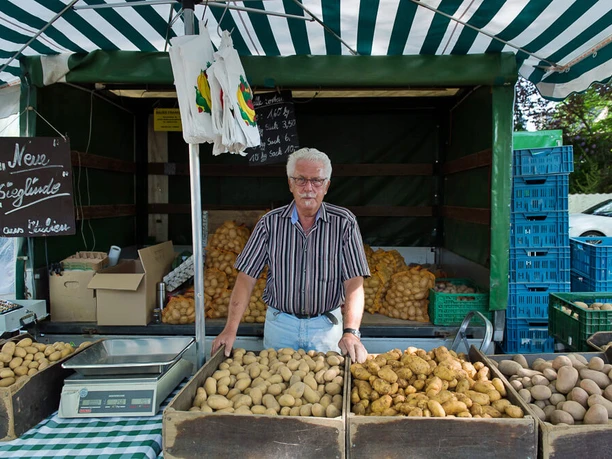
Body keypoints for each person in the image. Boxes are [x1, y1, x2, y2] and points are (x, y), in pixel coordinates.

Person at [211, 147, 370, 363]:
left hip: (325, 327)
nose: (309, 188)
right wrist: (230, 329)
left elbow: (354, 282)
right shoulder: (270, 223)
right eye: (301, 180)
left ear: (327, 186)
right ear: (290, 184)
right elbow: (246, 278)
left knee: (325, 390)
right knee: (276, 389)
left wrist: (351, 332)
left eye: (317, 181)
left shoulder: (344, 222)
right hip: (280, 326)